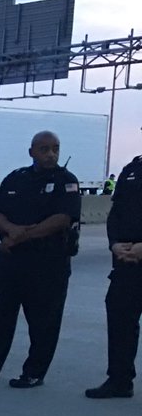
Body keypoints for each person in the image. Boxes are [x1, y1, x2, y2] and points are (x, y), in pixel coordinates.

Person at [0, 131, 80, 388]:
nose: (51, 154)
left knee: (43, 321)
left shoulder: (66, 181)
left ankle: (34, 372)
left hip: (48, 261)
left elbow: (62, 219)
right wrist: (11, 231)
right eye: (44, 149)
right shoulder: (15, 179)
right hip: (11, 260)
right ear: (32, 152)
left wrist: (19, 237)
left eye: (55, 148)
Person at [87, 153, 142, 399]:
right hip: (126, 261)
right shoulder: (132, 169)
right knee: (120, 319)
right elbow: (116, 212)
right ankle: (120, 380)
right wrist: (114, 244)